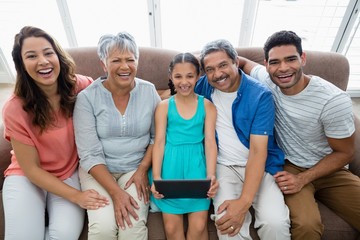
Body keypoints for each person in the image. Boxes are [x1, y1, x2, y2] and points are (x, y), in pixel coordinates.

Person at [238, 30, 360, 239]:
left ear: (303, 59)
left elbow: (345, 153)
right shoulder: (267, 81)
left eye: (291, 59)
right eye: (275, 62)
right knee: (306, 225)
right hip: (289, 165)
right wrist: (191, 59)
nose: (283, 68)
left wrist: (303, 178)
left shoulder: (333, 101)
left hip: (331, 169)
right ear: (267, 64)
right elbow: (240, 62)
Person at [1, 26, 109, 240]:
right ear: (21, 65)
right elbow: (31, 169)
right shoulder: (14, 107)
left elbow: (113, 91)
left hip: (68, 174)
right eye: (31, 56)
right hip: (27, 178)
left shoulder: (80, 86)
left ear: (58, 56)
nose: (43, 61)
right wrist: (78, 196)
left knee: (64, 236)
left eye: (48, 52)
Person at [195, 39, 291, 240]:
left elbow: (258, 152)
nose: (217, 74)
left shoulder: (260, 95)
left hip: (260, 166)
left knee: (275, 224)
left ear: (236, 62)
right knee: (227, 224)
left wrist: (244, 202)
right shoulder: (203, 86)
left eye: (223, 65)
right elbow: (178, 89)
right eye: (210, 69)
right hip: (223, 167)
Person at [73, 31, 161, 240]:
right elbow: (89, 154)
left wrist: (142, 169)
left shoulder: (149, 92)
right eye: (116, 60)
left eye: (130, 60)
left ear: (137, 62)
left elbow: (157, 137)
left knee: (131, 228)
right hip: (97, 171)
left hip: (135, 170)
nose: (124, 66)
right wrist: (116, 193)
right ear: (104, 64)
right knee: (103, 229)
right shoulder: (86, 98)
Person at [150, 52, 218, 240]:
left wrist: (211, 175)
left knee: (198, 227)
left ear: (198, 77)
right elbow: (159, 142)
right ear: (171, 77)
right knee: (172, 230)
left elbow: (211, 143)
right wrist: (157, 177)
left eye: (189, 76)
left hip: (197, 168)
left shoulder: (208, 106)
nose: (184, 82)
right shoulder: (164, 106)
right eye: (178, 76)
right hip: (170, 168)